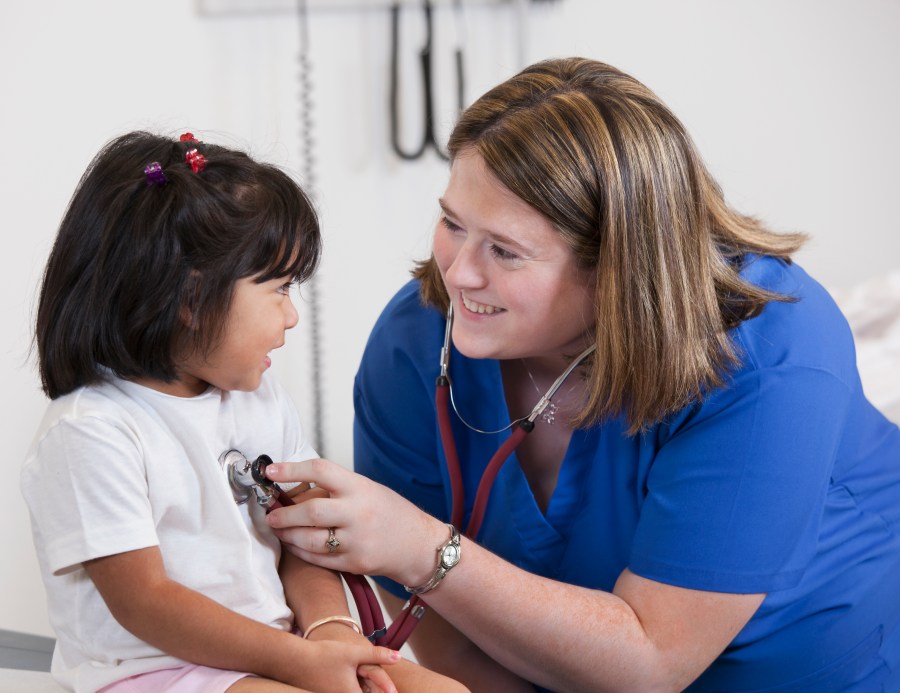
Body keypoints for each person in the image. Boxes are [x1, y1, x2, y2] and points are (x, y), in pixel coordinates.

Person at [263, 57, 900, 692]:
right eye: (454, 223)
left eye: (505, 251)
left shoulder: (769, 354)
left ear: (617, 267)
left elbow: (652, 662)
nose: (459, 273)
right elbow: (433, 617)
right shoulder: (419, 338)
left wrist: (424, 547)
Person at [20, 131, 468, 693]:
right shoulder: (92, 433)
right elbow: (146, 604)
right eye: (279, 289)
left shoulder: (258, 399)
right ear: (190, 300)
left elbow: (302, 538)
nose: (291, 317)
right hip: (156, 672)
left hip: (276, 654)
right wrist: (297, 661)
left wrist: (331, 633)